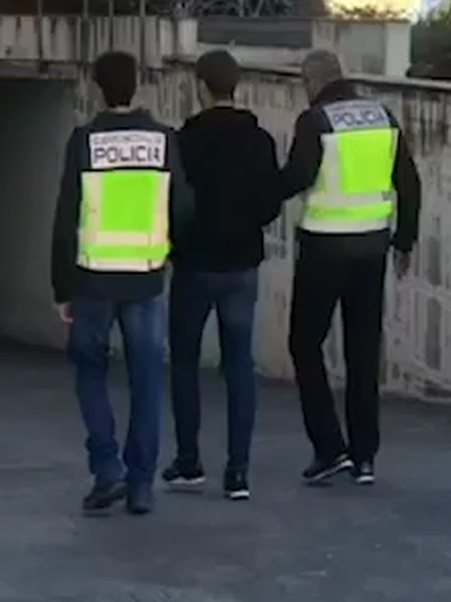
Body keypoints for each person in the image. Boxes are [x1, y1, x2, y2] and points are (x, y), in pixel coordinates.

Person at [50, 50, 194, 516]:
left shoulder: (84, 141)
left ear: (98, 88)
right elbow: (184, 207)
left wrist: (61, 288)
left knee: (90, 373)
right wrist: (170, 250)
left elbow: (65, 218)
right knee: (147, 381)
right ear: (138, 85)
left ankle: (106, 469)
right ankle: (141, 486)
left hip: (92, 281)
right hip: (146, 279)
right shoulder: (163, 140)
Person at [279, 49, 422, 486]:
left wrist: (258, 193)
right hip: (372, 248)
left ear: (312, 80)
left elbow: (298, 177)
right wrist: (404, 241)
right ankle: (364, 457)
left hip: (324, 249)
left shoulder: (316, 120)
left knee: (305, 345)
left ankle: (328, 448)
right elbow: (409, 181)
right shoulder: (382, 116)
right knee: (362, 351)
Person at [161, 50, 282, 501]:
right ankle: (238, 472)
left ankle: (189, 461)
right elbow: (271, 203)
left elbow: (173, 200)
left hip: (194, 264)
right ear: (238, 85)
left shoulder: (184, 140)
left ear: (200, 86)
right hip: (243, 264)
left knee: (186, 363)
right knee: (239, 366)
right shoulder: (260, 140)